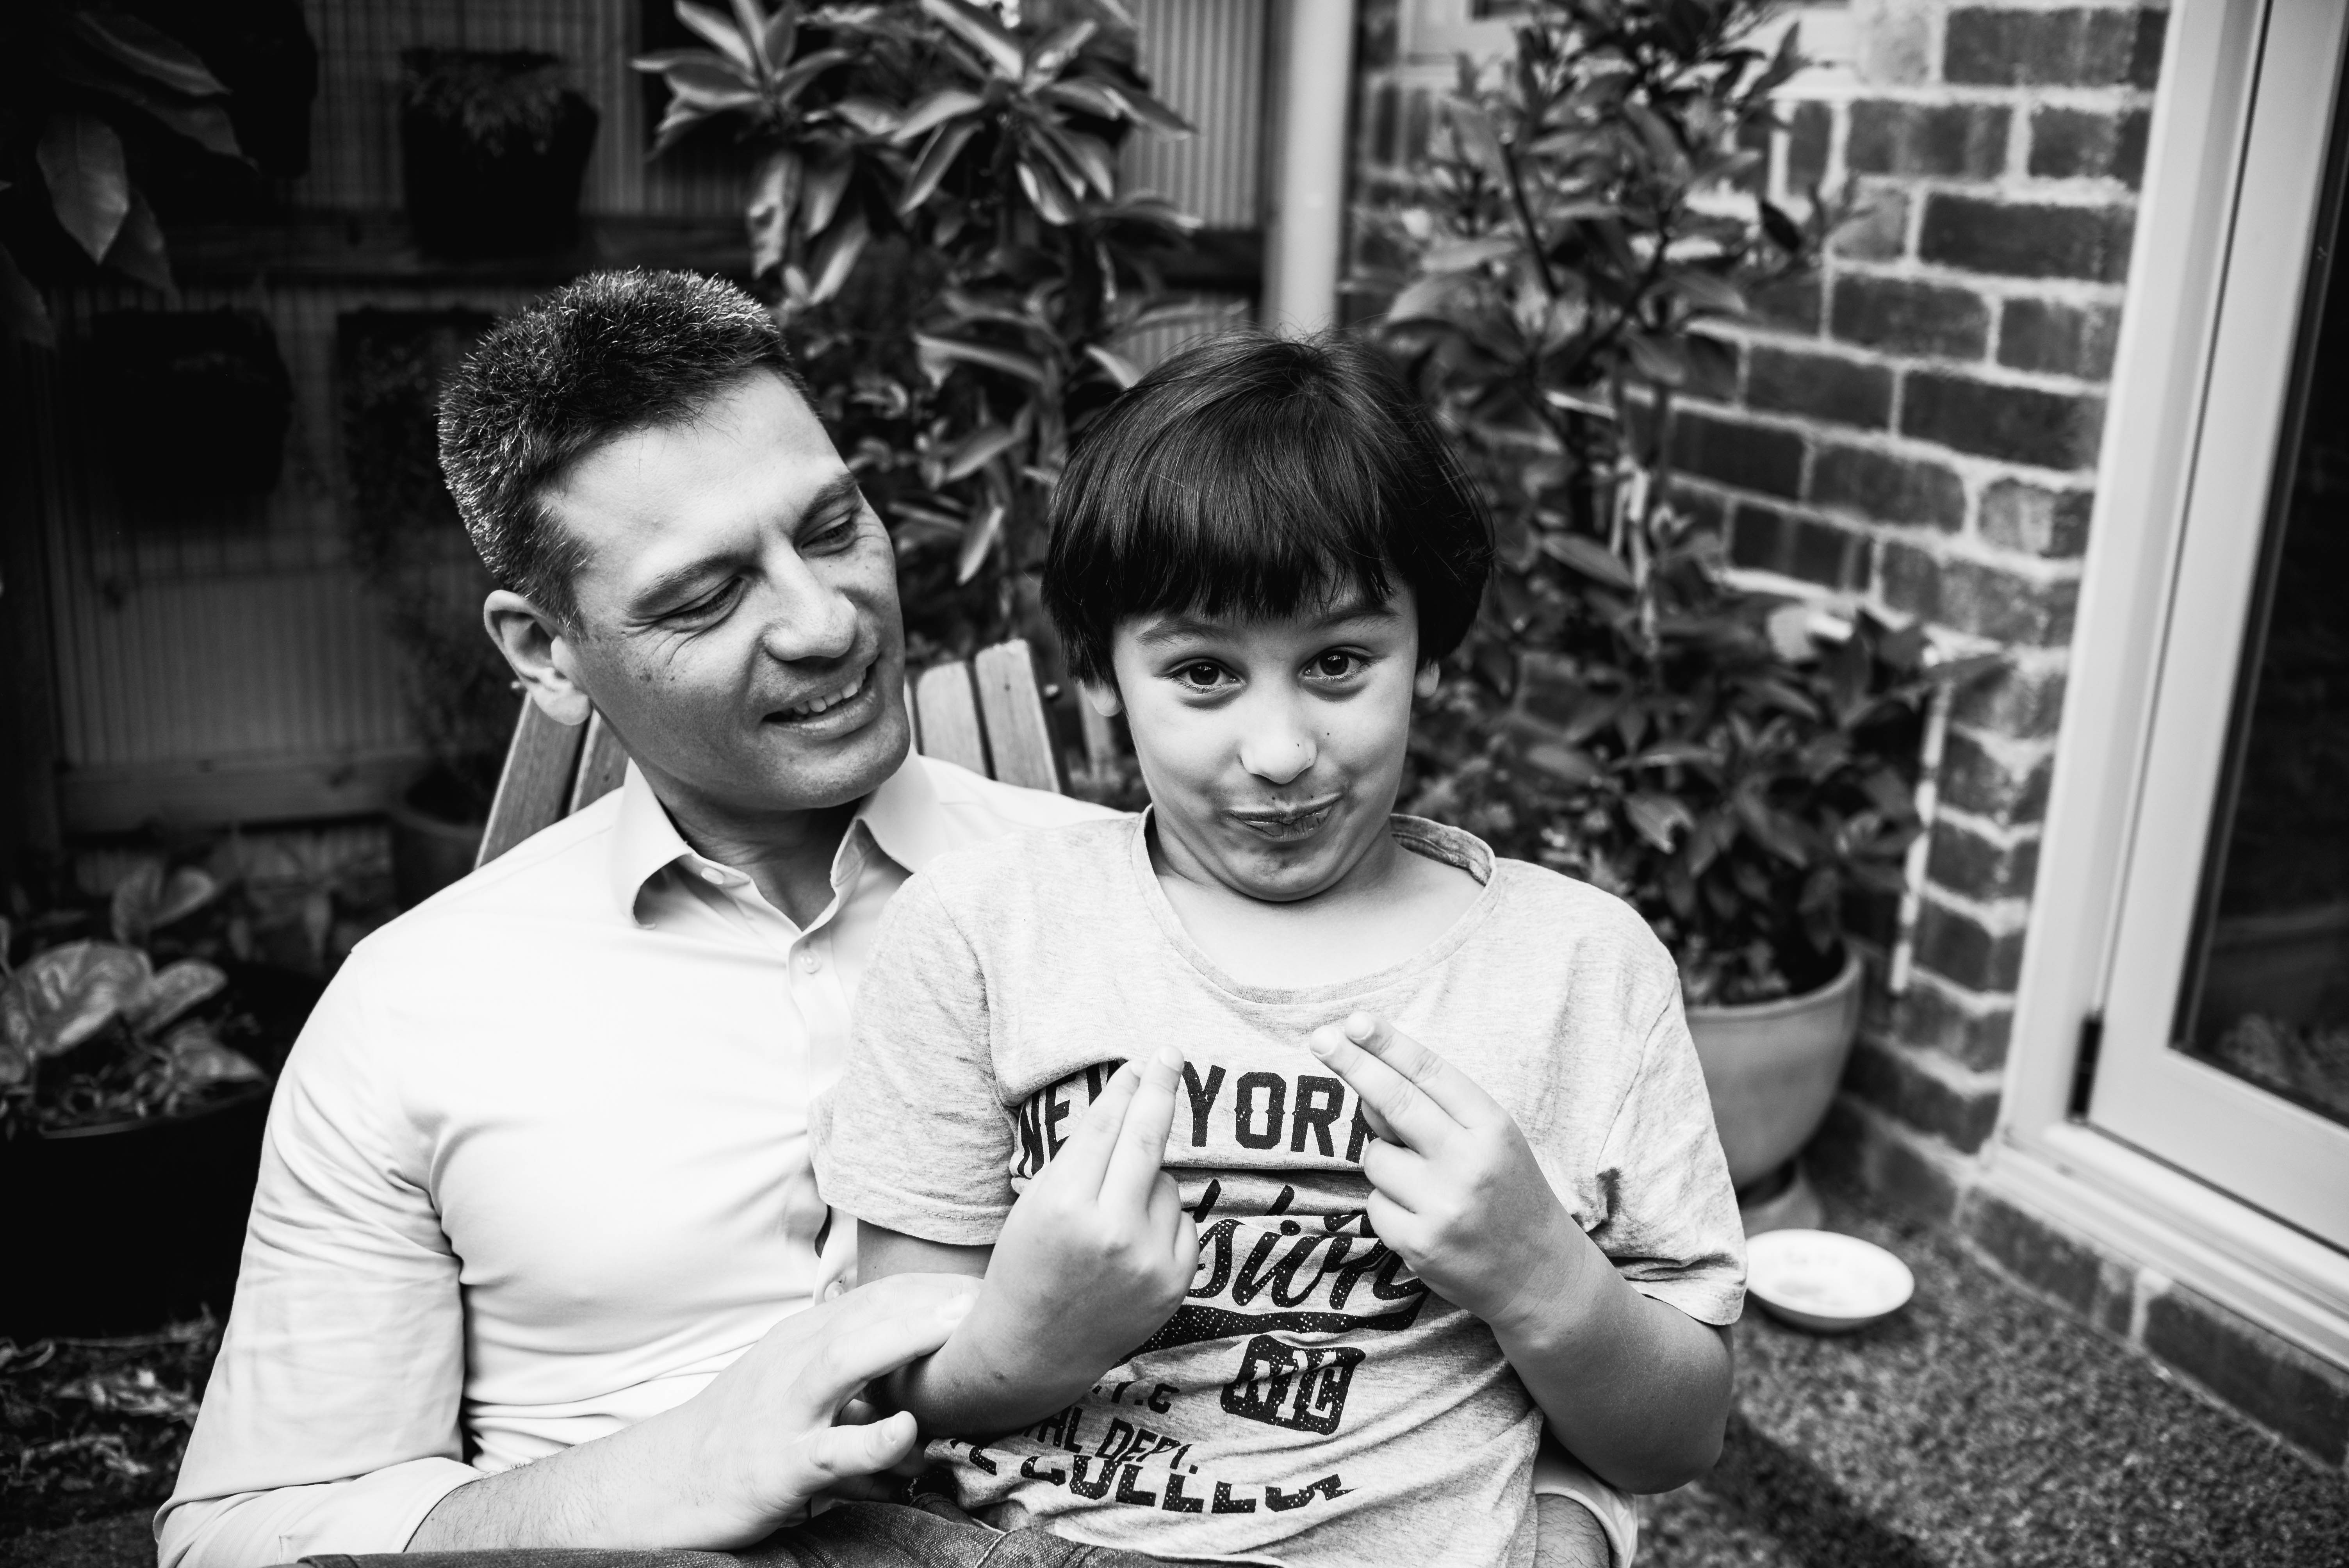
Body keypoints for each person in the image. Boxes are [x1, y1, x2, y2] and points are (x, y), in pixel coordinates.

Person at [160, 275, 1634, 1568]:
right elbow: (245, 1527)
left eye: (831, 525)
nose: (823, 621)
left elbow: (1465, 1350)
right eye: (709, 594)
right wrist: (664, 1476)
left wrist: (1563, 1530)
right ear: (546, 654)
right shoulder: (417, 1007)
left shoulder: (1178, 896)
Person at [815, 334, 1745, 1567]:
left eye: (1340, 663)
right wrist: (1021, 1348)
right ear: (1104, 677)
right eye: (1202, 672)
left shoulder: (1581, 967)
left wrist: (1540, 1276)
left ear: (1427, 650)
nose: (1280, 749)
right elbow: (880, 1387)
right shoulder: (985, 932)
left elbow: (1676, 1440)